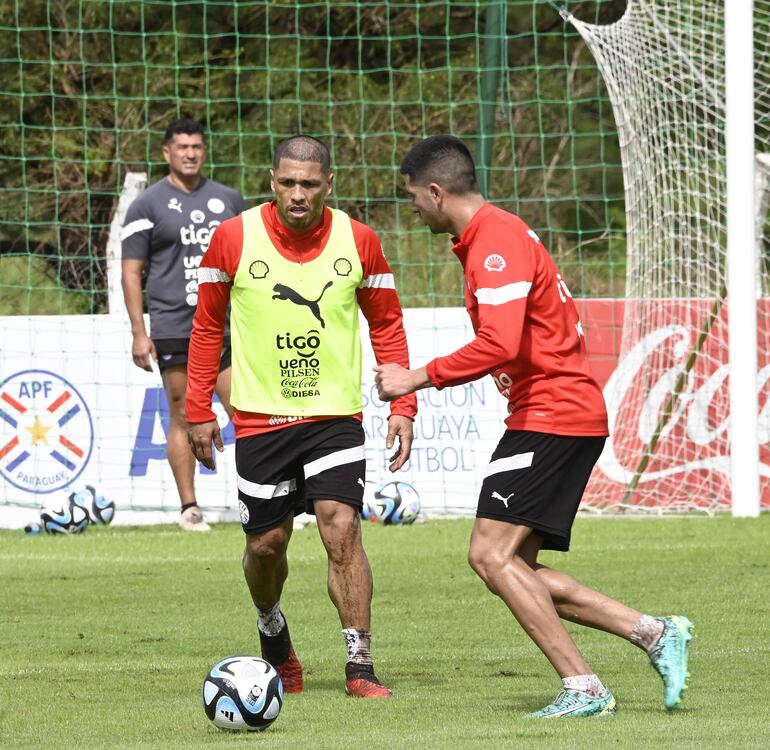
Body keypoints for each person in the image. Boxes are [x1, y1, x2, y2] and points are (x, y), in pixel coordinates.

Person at [375, 135, 693, 718]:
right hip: (551, 410)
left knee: (490, 557)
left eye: (412, 197)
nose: (412, 208)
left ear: (437, 191)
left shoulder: (494, 239)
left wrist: (414, 379)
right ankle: (653, 633)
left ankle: (585, 687)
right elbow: (525, 337)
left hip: (552, 414)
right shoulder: (487, 236)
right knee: (512, 566)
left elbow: (498, 340)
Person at [185, 135, 416, 698]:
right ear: (272, 180)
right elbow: (207, 327)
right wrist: (198, 408)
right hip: (261, 419)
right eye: (287, 182)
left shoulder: (359, 241)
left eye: (309, 184)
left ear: (327, 186)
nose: (297, 194)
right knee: (267, 546)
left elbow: (386, 325)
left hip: (334, 416)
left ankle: (359, 666)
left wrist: (402, 404)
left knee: (342, 527)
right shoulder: (233, 237)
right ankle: (272, 631)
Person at [121, 118, 245, 532]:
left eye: (197, 146)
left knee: (247, 411)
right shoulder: (148, 205)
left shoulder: (229, 199)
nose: (190, 153)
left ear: (204, 150)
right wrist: (140, 331)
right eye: (182, 147)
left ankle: (267, 499)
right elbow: (131, 271)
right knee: (182, 415)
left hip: (227, 326)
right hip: (175, 325)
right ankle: (189, 507)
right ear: (167, 154)